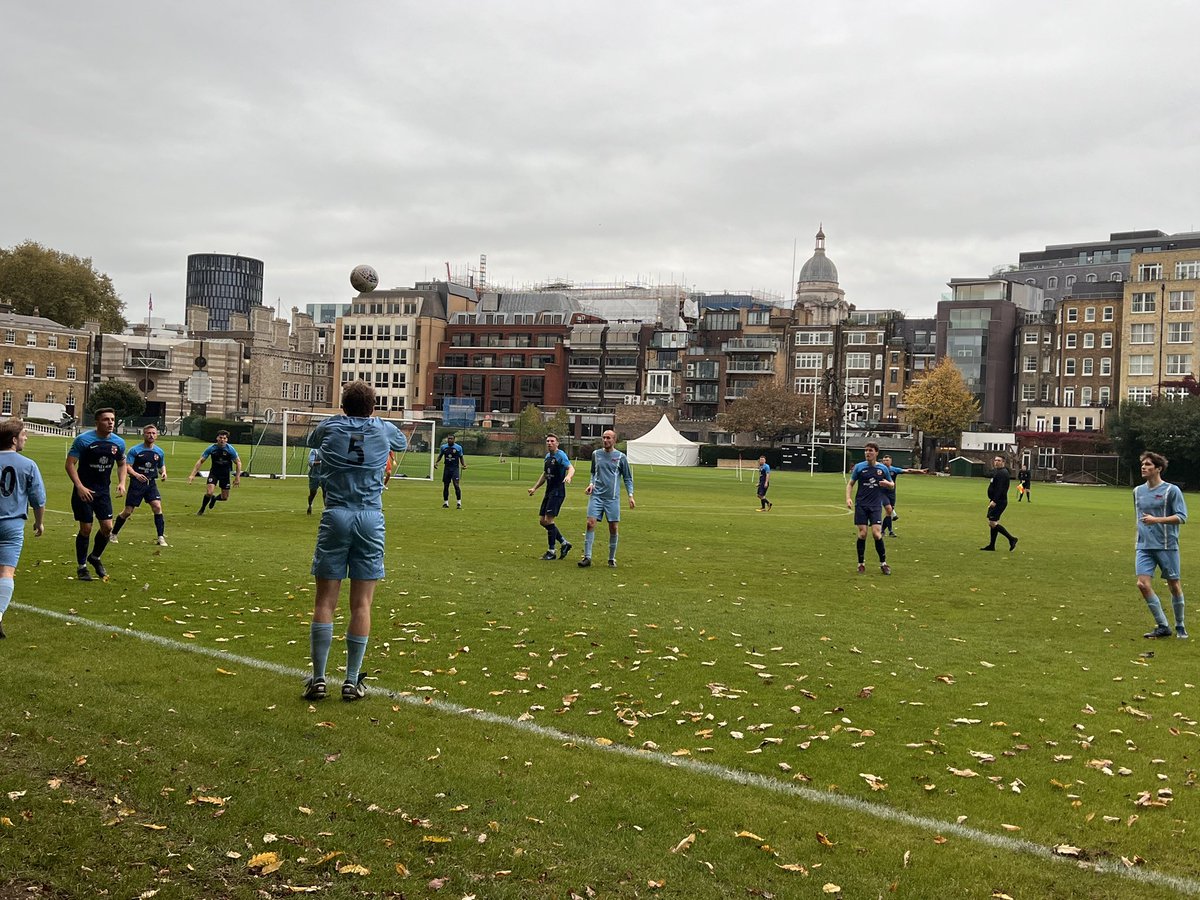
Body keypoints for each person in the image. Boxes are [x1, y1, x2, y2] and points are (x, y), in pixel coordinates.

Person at [302, 380, 408, 701]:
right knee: (362, 603)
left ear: (343, 405)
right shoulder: (384, 428)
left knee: (324, 602)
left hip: (336, 513)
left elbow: (313, 441)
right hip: (370, 517)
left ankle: (319, 678)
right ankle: (351, 680)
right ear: (373, 406)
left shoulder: (329, 426)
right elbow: (400, 443)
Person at [65, 407, 127, 582]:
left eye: (112, 419)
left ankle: (95, 557)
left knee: (107, 528)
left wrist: (122, 483)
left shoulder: (118, 443)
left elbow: (122, 464)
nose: (110, 423)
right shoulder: (83, 440)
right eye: (106, 419)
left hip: (103, 492)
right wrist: (79, 486)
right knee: (86, 528)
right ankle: (82, 567)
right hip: (84, 491)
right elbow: (70, 464)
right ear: (97, 422)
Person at [1134, 451, 1188, 639]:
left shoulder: (1171, 491)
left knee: (1173, 585)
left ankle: (1180, 625)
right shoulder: (1137, 491)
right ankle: (1163, 626)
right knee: (1142, 584)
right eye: (1143, 464)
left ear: (1158, 468)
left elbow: (1181, 517)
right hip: (1143, 546)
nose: (1143, 467)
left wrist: (1157, 520)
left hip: (1167, 545)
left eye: (1148, 464)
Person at [0, 419, 46, 637]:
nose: (26, 438)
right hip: (12, 524)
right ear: (14, 439)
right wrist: (39, 522)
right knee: (7, 572)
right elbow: (38, 499)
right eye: (24, 434)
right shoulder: (28, 465)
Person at [578, 429, 635, 568]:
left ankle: (611, 558)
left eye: (608, 438)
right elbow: (593, 472)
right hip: (596, 496)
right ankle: (587, 557)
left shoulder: (621, 457)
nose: (605, 440)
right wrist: (591, 484)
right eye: (604, 437)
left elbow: (627, 478)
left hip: (612, 498)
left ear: (614, 440)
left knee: (613, 528)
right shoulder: (596, 454)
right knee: (590, 523)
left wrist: (630, 496)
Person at [110, 424, 169, 546]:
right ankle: (113, 533)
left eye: (153, 433)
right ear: (144, 434)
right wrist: (136, 475)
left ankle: (160, 537)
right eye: (148, 433)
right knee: (128, 511)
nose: (151, 435)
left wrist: (163, 472)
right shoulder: (135, 450)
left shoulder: (159, 452)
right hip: (137, 484)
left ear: (156, 435)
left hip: (151, 484)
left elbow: (160, 465)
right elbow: (127, 467)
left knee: (157, 507)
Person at [846, 442, 894, 575]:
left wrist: (887, 484)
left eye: (870, 450)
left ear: (876, 452)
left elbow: (892, 485)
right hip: (861, 504)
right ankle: (861, 564)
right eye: (866, 450)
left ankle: (883, 563)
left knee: (876, 534)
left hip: (875, 505)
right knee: (862, 534)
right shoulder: (859, 467)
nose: (868, 453)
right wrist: (848, 498)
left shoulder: (883, 469)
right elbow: (850, 484)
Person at [528, 433, 576, 560]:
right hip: (549, 492)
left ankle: (551, 551)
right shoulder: (548, 457)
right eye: (547, 441)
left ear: (557, 443)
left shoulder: (561, 455)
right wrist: (534, 488)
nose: (549, 443)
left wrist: (568, 476)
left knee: (549, 520)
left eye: (552, 441)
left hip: (558, 492)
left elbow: (571, 468)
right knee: (542, 521)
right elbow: (545, 474)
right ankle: (564, 543)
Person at [188, 430, 241, 514]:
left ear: (227, 440)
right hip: (214, 473)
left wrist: (237, 477)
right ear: (217, 438)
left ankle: (214, 499)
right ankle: (202, 509)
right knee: (209, 492)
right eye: (220, 437)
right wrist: (192, 475)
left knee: (224, 497)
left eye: (224, 438)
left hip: (225, 474)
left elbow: (238, 462)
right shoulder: (211, 448)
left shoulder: (230, 449)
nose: (222, 440)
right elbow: (201, 461)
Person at [879, 455, 928, 537]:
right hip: (882, 493)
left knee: (889, 512)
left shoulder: (894, 470)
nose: (885, 462)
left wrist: (919, 471)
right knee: (889, 509)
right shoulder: (879, 470)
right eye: (884, 460)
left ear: (891, 461)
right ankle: (890, 531)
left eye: (887, 460)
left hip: (892, 493)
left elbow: (908, 470)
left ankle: (883, 530)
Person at [981, 455, 1018, 552]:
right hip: (995, 500)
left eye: (999, 460)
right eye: (995, 460)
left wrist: (994, 501)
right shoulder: (997, 472)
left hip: (999, 501)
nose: (996, 462)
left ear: (1003, 462)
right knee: (992, 523)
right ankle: (992, 545)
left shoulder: (1003, 473)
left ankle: (1012, 539)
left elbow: (1000, 489)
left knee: (992, 523)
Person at [434, 432, 467, 508]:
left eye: (451, 438)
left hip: (455, 468)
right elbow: (440, 456)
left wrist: (463, 464)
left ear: (454, 440)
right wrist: (436, 462)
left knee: (456, 485)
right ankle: (446, 503)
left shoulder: (458, 448)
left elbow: (461, 457)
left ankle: (459, 503)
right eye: (449, 438)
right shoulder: (443, 447)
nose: (450, 440)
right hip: (447, 468)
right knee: (446, 486)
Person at [307, 448, 323, 514]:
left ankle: (326, 509)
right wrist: (321, 462)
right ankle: (310, 505)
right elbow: (311, 463)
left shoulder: (328, 449)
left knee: (326, 493)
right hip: (314, 476)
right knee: (313, 493)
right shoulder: (314, 451)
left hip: (325, 475)